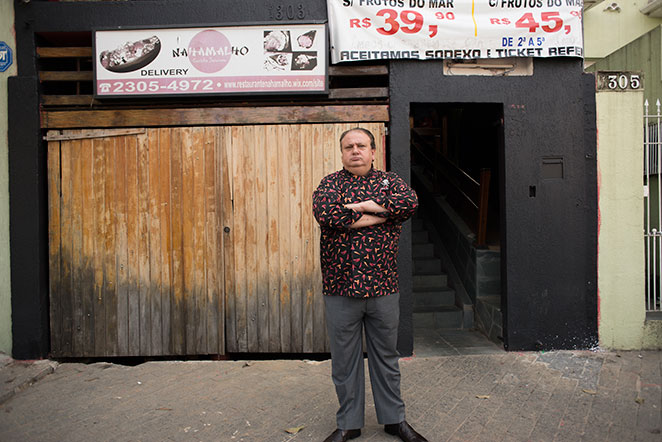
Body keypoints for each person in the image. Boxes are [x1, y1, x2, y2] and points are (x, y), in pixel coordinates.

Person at [312, 128, 427, 442]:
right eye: (348, 146)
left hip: (383, 287)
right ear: (342, 153)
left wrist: (360, 207)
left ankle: (394, 420)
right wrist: (382, 213)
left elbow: (409, 204)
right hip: (340, 289)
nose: (355, 151)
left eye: (361, 145)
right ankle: (349, 423)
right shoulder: (330, 184)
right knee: (344, 362)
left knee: (386, 358)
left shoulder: (391, 182)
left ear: (373, 151)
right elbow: (328, 214)